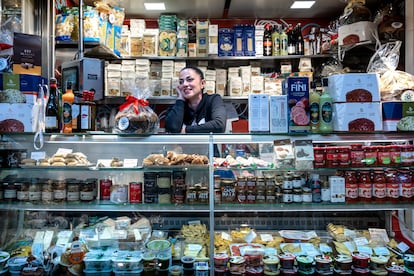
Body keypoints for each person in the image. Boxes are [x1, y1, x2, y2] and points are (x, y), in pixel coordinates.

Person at [165, 66, 227, 133]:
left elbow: (219, 125)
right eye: (181, 82)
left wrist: (186, 130)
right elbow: (172, 129)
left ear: (202, 83)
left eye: (190, 80)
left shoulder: (213, 100)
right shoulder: (177, 106)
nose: (184, 84)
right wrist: (180, 99)